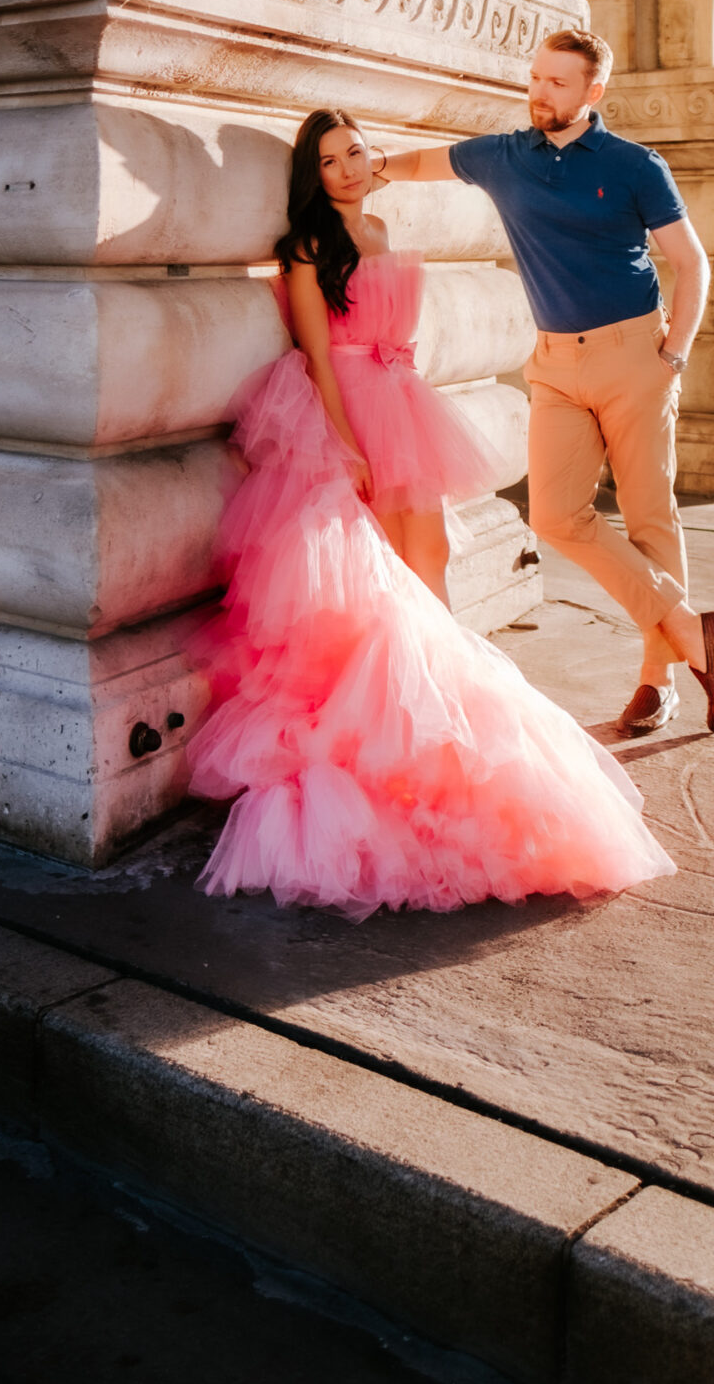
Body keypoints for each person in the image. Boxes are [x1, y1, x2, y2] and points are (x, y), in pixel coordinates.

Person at [186, 108, 676, 919]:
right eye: (329, 159)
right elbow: (313, 355)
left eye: (355, 152)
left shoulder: (377, 225)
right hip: (351, 414)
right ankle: (389, 729)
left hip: (403, 398)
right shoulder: (309, 245)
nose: (346, 168)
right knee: (379, 580)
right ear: (312, 173)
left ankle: (444, 700)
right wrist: (346, 447)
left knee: (434, 557)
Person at [374, 29, 714, 738]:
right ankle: (697, 634)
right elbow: (427, 162)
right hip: (555, 367)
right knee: (552, 516)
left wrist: (673, 356)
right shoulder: (504, 157)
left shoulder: (634, 166)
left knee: (647, 518)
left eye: (558, 83)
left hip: (635, 355)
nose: (540, 93)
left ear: (592, 93)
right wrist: (369, 167)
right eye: (536, 78)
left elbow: (691, 265)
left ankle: (655, 681)